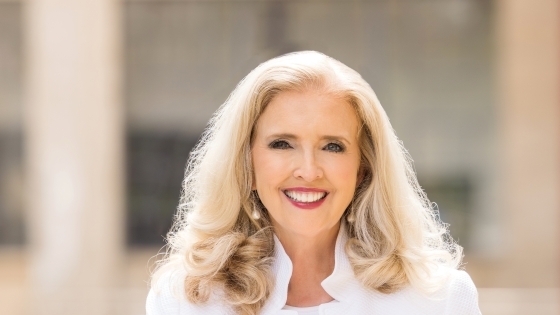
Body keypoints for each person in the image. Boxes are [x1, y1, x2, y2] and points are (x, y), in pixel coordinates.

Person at [146, 51, 481, 315]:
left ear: (363, 169)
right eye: (282, 144)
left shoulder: (440, 301)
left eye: (332, 146)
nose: (308, 170)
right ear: (246, 166)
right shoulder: (185, 301)